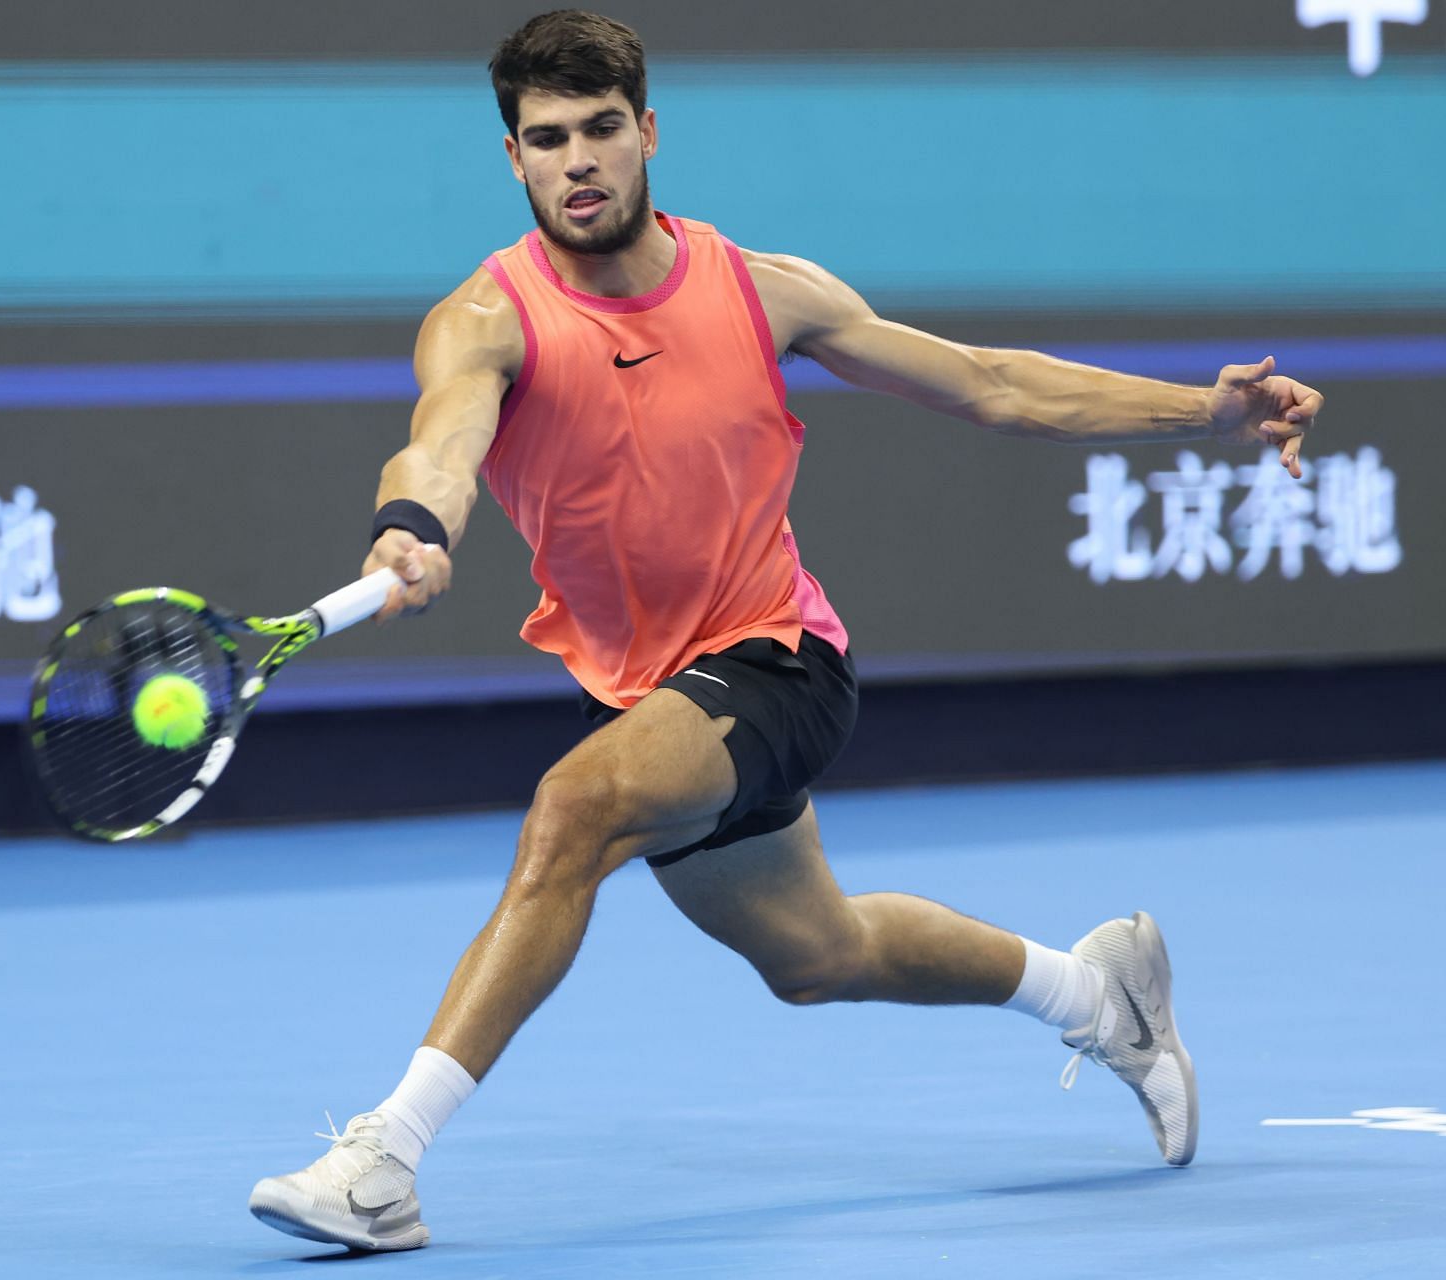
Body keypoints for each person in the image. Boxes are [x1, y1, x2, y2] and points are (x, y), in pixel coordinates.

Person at [249, 9, 1321, 1253]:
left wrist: (1204, 409)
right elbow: (439, 442)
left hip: (778, 658)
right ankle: (1098, 992)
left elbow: (993, 383)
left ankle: (384, 1158)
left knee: (571, 810)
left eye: (603, 129)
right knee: (821, 951)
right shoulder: (483, 320)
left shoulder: (765, 292)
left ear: (648, 133)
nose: (580, 161)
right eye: (549, 139)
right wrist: (412, 523)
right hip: (648, 693)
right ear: (514, 159)